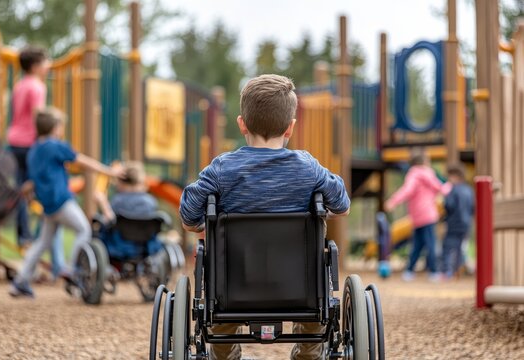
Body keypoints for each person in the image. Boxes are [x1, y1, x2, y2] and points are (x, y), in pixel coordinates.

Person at [180, 74, 351, 360]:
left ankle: (225, 354)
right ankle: (307, 354)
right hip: (300, 288)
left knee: (219, 289)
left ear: (241, 123)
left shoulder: (222, 168)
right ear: (290, 128)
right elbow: (342, 204)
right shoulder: (308, 168)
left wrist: (204, 222)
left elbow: (188, 217)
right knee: (315, 278)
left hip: (233, 288)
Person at [9, 107, 123, 298]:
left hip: (48, 205)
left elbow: (35, 179)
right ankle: (72, 270)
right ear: (55, 128)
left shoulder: (34, 150)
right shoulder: (56, 145)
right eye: (61, 126)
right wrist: (108, 172)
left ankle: (20, 281)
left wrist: (27, 190)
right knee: (84, 229)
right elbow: (83, 161)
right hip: (61, 201)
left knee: (42, 242)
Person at [7, 46, 50, 247]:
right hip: (30, 143)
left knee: (20, 190)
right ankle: (39, 235)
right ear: (35, 66)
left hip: (14, 142)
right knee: (41, 187)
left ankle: (23, 235)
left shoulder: (19, 85)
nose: (48, 66)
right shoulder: (37, 86)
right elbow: (38, 117)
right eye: (45, 61)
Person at [384, 149, 449, 282]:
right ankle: (433, 272)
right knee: (429, 244)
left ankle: (409, 271)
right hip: (429, 216)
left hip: (418, 216)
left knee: (418, 245)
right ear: (425, 161)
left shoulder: (413, 174)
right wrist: (449, 187)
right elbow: (440, 188)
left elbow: (406, 191)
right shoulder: (428, 174)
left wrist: (393, 201)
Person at [94, 161, 165, 259]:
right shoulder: (151, 201)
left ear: (121, 181)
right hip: (145, 247)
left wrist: (103, 204)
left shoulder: (118, 201)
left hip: (118, 247)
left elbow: (110, 221)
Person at [441, 164, 474, 279]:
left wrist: (444, 216)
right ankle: (457, 270)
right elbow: (473, 207)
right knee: (460, 248)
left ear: (455, 176)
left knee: (448, 247)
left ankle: (447, 271)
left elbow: (449, 205)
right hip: (466, 223)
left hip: (454, 223)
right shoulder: (469, 190)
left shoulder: (453, 190)